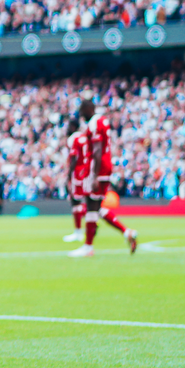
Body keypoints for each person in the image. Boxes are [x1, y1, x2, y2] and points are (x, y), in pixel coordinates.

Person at [69, 99, 138, 257]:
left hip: (97, 168)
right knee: (96, 207)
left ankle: (88, 247)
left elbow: (97, 149)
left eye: (82, 111)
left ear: (88, 108)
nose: (81, 115)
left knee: (91, 206)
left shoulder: (94, 123)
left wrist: (94, 175)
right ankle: (126, 232)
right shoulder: (103, 121)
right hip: (105, 167)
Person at [64, 118, 89, 242]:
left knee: (75, 201)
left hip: (78, 172)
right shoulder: (84, 137)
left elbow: (73, 158)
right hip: (86, 171)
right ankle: (89, 220)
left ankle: (79, 231)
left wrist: (69, 175)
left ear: (73, 127)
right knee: (79, 200)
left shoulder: (73, 138)